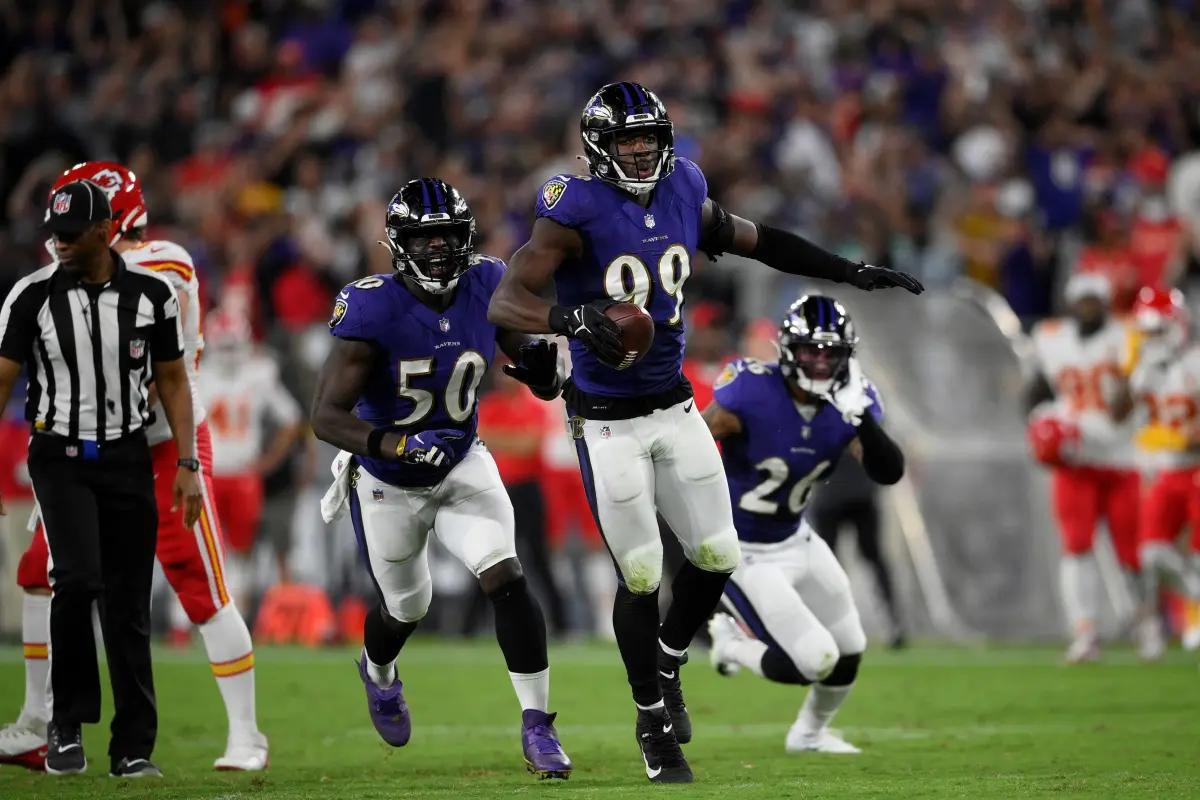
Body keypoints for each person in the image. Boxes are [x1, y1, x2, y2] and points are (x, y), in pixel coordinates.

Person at [486, 81, 923, 783]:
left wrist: (849, 272)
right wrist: (572, 321)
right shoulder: (573, 208)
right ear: (600, 146)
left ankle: (668, 659)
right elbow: (507, 296)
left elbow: (759, 241)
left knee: (717, 555)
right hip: (605, 421)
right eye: (626, 140)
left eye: (648, 139)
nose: (639, 150)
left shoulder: (686, 185)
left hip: (674, 404)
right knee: (640, 573)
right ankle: (653, 720)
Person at [0, 162, 268, 772]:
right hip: (81, 442)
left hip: (162, 438)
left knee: (199, 582)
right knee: (42, 571)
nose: (62, 239)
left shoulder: (161, 266)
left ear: (112, 222)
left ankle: (247, 734)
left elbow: (162, 368)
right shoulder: (67, 279)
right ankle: (42, 722)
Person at [312, 178, 572, 779]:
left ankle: (538, 726)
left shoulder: (485, 280)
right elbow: (326, 416)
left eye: (447, 237)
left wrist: (542, 368)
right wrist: (399, 444)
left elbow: (522, 348)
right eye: (424, 239)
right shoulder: (372, 305)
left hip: (460, 459)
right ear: (399, 245)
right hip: (386, 477)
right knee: (408, 607)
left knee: (505, 574)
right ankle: (378, 673)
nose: (437, 250)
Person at [702, 295, 904, 753]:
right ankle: (731, 644)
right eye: (811, 349)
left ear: (846, 355)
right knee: (815, 660)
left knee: (851, 646)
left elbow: (888, 471)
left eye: (830, 352)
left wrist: (861, 420)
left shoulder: (852, 399)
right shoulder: (751, 390)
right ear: (788, 348)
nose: (819, 361)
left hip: (797, 535)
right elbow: (691, 442)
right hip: (744, 550)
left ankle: (808, 734)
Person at [1026, 272, 1153, 662]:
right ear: (1071, 302)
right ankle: (1085, 632)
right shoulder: (1051, 338)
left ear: (1105, 303)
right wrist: (1042, 426)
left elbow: (1133, 402)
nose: (1087, 308)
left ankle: (1147, 628)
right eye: (1082, 301)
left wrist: (1127, 396)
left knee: (1131, 553)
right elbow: (1036, 393)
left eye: (1094, 301)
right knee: (1076, 548)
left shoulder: (1126, 338)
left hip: (1118, 458)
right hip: (1075, 462)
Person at [197, 308, 304, 609]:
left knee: (241, 551)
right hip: (206, 474)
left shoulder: (259, 373)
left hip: (243, 474)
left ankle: (235, 611)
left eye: (234, 345)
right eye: (225, 346)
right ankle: (190, 618)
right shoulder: (198, 374)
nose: (230, 353)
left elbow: (291, 420)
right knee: (202, 548)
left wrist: (268, 462)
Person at [1127, 286, 1200, 649]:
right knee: (1152, 555)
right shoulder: (1142, 374)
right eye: (1148, 330)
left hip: (1197, 468)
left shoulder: (1196, 362)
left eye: (1158, 330)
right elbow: (1143, 426)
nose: (1151, 338)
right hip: (1165, 470)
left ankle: (1191, 621)